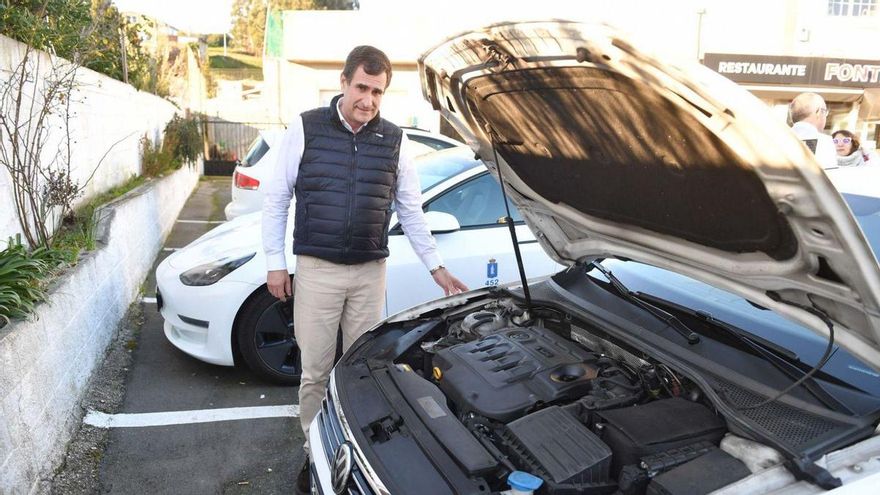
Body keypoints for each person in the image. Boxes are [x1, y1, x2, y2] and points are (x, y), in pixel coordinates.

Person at [261, 45, 468, 493]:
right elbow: (276, 199)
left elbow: (410, 210)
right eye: (362, 87)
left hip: (370, 272)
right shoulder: (306, 127)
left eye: (378, 91)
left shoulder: (395, 139)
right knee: (315, 371)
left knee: (360, 370)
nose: (369, 100)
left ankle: (356, 458)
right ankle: (314, 453)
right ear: (343, 82)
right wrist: (276, 265)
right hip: (316, 270)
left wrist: (437, 267)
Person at [789, 92, 837, 169]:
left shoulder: (778, 138)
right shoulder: (824, 142)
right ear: (819, 112)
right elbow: (828, 177)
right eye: (825, 112)